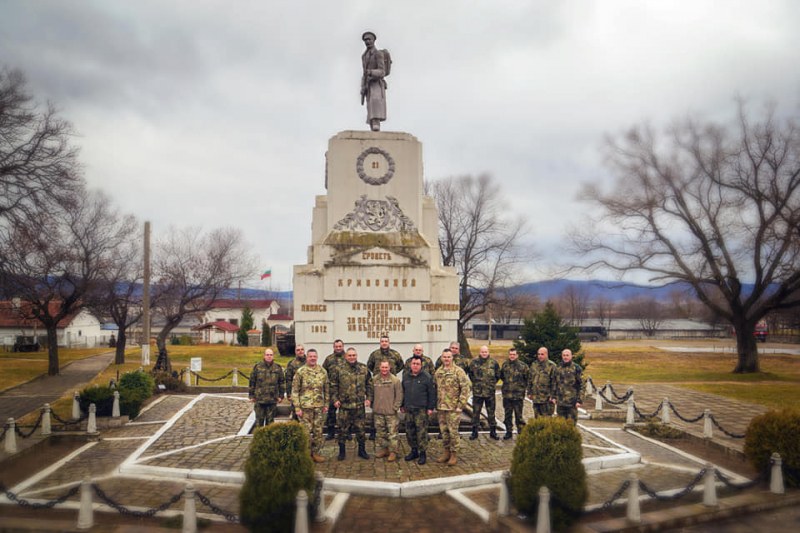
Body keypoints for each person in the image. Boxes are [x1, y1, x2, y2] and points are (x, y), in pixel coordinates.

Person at [330, 347, 373, 460]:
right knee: (342, 430)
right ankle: (342, 452)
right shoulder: (339, 369)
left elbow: (369, 384)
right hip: (344, 406)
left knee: (361, 430)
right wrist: (335, 399)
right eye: (350, 355)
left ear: (356, 356)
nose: (352, 357)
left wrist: (369, 398)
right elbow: (333, 385)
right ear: (346, 356)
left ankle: (362, 451)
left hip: (359, 406)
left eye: (354, 355)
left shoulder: (363, 368)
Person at [434, 348, 471, 466]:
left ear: (452, 358)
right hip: (441, 408)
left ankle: (454, 454)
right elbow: (435, 388)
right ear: (441, 358)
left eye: (449, 357)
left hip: (454, 408)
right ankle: (446, 452)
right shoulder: (438, 372)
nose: (446, 359)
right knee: (444, 432)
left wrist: (461, 405)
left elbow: (465, 389)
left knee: (453, 432)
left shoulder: (458, 371)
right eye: (444, 357)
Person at [292, 348, 329, 463]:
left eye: (314, 356)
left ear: (317, 357)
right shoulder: (301, 372)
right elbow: (295, 391)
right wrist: (297, 407)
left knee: (318, 431)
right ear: (307, 357)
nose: (312, 358)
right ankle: (306, 454)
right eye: (310, 356)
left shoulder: (322, 371)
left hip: (319, 407)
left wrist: (326, 404)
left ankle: (316, 453)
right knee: (306, 433)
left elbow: (327, 389)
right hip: (305, 408)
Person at [401, 355, 436, 465]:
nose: (415, 366)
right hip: (409, 409)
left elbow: (432, 394)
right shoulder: (406, 376)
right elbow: (403, 392)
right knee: (410, 432)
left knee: (421, 433)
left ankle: (422, 453)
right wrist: (402, 405)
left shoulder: (427, 377)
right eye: (413, 364)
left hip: (421, 410)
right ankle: (414, 451)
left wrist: (430, 407)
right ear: (410, 365)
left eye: (417, 364)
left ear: (421, 365)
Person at [370, 360, 403, 462]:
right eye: (382, 367)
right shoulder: (375, 379)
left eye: (386, 367)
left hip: (391, 412)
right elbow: (371, 394)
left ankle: (393, 452)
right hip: (378, 412)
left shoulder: (395, 380)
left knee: (392, 434)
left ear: (389, 368)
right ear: (379, 368)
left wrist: (395, 407)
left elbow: (399, 395)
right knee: (381, 433)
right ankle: (384, 449)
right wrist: (373, 406)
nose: (384, 369)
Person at [467, 345, 501, 440]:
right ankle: (474, 432)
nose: (484, 353)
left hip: (489, 393)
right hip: (478, 393)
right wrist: (477, 383)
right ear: (479, 352)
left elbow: (498, 375)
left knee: (491, 413)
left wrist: (491, 384)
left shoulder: (493, 363)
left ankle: (493, 432)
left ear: (488, 352)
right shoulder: (474, 362)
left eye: (486, 352)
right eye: (482, 352)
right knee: (476, 413)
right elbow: (471, 374)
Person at [248, 348, 285, 427]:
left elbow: (281, 382)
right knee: (259, 422)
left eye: (271, 355)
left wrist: (281, 396)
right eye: (267, 355)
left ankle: (269, 439)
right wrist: (251, 395)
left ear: (273, 356)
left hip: (272, 399)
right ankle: (259, 438)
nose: (269, 356)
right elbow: (252, 382)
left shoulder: (277, 368)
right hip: (260, 399)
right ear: (264, 356)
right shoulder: (257, 367)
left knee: (270, 423)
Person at [499, 348, 531, 439]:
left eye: (514, 354)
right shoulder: (505, 365)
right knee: (507, 415)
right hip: (507, 395)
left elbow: (528, 378)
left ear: (517, 355)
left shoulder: (523, 366)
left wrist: (524, 389)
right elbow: (502, 377)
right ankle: (508, 431)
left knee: (518, 415)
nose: (512, 356)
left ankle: (520, 431)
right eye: (510, 354)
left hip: (518, 396)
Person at [361, 31, 387, 131]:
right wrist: (362, 87)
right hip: (368, 84)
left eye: (369, 39)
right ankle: (372, 123)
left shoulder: (378, 54)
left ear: (373, 40)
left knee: (375, 101)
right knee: (370, 104)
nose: (367, 41)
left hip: (376, 82)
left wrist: (371, 72)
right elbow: (364, 73)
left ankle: (376, 122)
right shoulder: (364, 56)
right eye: (365, 40)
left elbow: (382, 71)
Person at [552, 349, 584, 423]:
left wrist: (580, 400)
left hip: (572, 402)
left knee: (571, 424)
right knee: (560, 424)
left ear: (571, 356)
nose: (565, 357)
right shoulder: (558, 368)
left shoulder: (576, 368)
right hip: (560, 402)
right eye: (564, 355)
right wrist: (553, 396)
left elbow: (582, 385)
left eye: (567, 355)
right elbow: (555, 383)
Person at [323, 339, 347, 440]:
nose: (338, 348)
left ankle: (346, 432)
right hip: (332, 391)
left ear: (343, 346)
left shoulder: (348, 357)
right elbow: (324, 373)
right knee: (331, 412)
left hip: (345, 390)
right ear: (334, 347)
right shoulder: (329, 359)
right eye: (336, 346)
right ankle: (331, 432)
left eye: (340, 346)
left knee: (346, 413)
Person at [529, 346, 556, 418]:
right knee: (537, 418)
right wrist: (529, 392)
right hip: (536, 397)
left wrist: (553, 395)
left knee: (546, 419)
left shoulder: (552, 366)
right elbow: (530, 379)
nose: (540, 356)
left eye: (542, 354)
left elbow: (555, 382)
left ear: (546, 354)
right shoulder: (534, 365)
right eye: (539, 354)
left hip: (546, 399)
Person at [285, 344, 306, 421]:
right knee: (295, 416)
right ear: (295, 352)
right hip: (296, 394)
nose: (300, 351)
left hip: (308, 395)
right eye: (298, 350)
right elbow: (288, 380)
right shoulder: (292, 364)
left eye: (302, 349)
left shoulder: (309, 361)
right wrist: (289, 394)